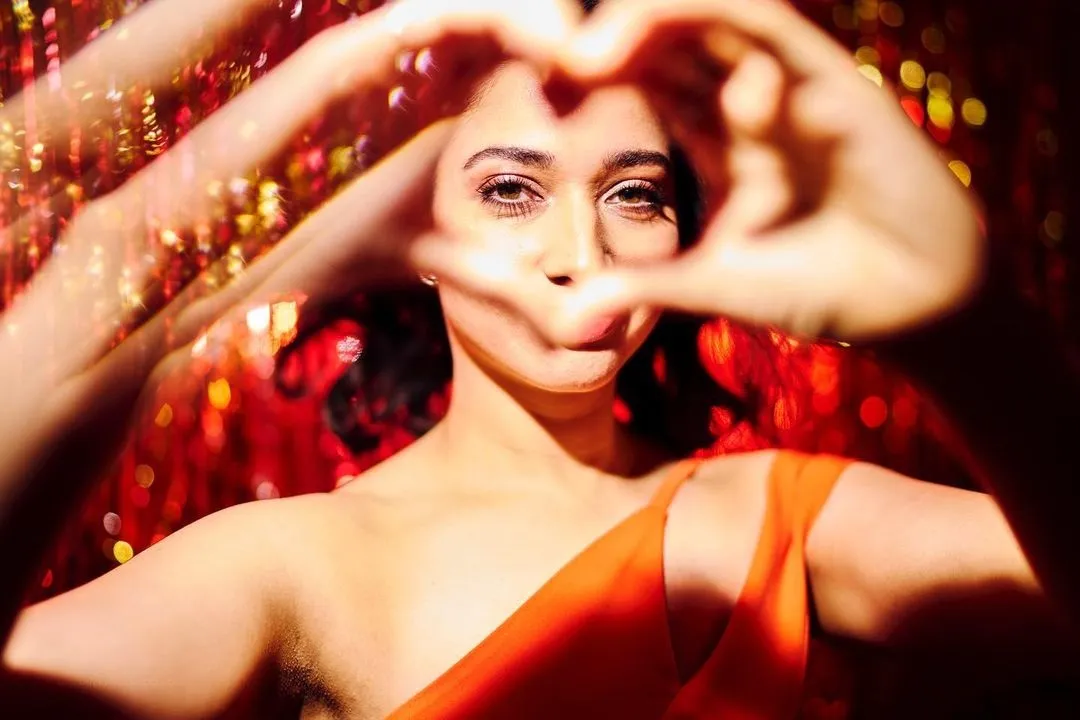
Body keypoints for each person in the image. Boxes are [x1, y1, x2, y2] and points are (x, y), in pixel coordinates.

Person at [1, 0, 1078, 718]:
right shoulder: (293, 565)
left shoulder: (781, 516)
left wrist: (971, 334)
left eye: (634, 194)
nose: (581, 254)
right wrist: (118, 268)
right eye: (512, 191)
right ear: (405, 221)